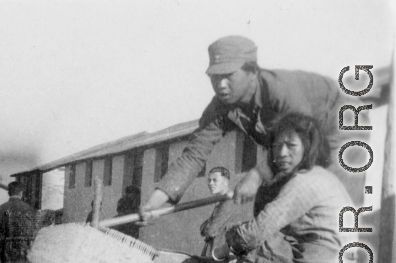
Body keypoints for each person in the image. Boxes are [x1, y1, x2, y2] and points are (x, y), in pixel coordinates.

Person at [140, 35, 359, 223]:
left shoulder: (280, 91)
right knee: (266, 203)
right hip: (297, 147)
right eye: (215, 77)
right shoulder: (220, 107)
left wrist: (256, 175)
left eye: (228, 76)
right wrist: (158, 199)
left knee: (319, 201)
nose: (221, 85)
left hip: (339, 125)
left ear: (252, 71)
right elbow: (193, 156)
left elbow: (304, 141)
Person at [179, 113, 351, 263]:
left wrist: (226, 246)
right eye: (277, 146)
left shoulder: (305, 182)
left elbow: (257, 231)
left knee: (244, 243)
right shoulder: (322, 178)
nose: (282, 153)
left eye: (291, 146)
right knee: (256, 242)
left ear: (308, 147)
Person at [0, 181, 36, 263]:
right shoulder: (29, 209)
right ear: (21, 193)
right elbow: (34, 230)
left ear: (8, 193)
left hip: (7, 250)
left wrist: (3, 236)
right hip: (24, 251)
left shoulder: (1, 209)